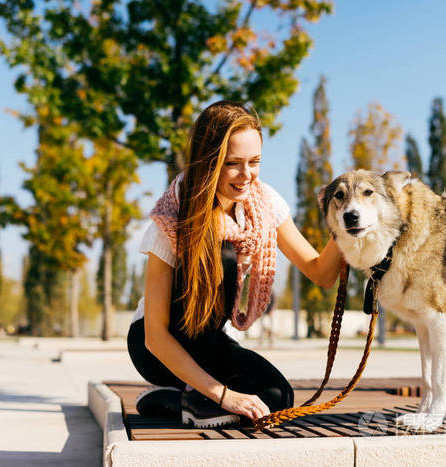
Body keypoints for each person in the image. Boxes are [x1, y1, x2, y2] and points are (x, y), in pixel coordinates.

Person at [127, 100, 342, 428]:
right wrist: (225, 395)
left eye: (255, 162)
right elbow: (155, 336)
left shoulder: (264, 202)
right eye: (233, 164)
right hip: (157, 345)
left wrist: (350, 224)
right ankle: (194, 393)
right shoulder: (172, 218)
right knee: (223, 256)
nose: (247, 176)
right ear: (208, 162)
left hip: (211, 341)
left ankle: (180, 401)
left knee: (277, 396)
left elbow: (320, 272)